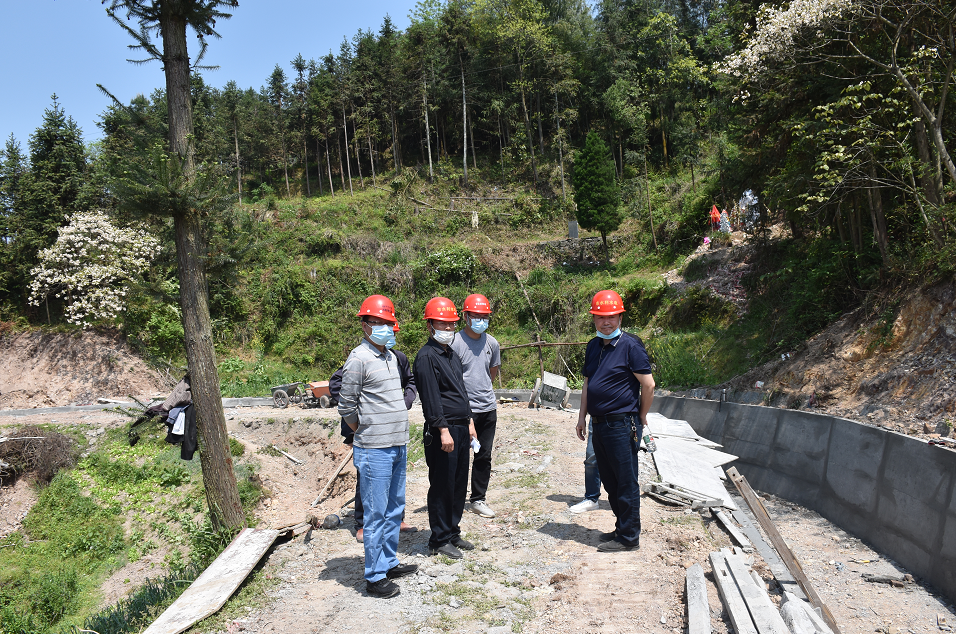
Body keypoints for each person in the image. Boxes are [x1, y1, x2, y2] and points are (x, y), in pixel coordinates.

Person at [338, 294, 418, 598]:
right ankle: (374, 576)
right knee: (375, 513)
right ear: (365, 324)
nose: (384, 327)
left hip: (398, 444)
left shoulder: (391, 357)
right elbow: (346, 406)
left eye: (387, 322)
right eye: (377, 322)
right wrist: (363, 431)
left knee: (394, 509)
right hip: (374, 449)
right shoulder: (358, 359)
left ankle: (388, 562)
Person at [575, 290, 655, 553]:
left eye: (611, 317)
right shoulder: (593, 346)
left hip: (622, 424)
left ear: (620, 317)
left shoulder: (631, 346)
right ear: (594, 319)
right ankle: (621, 527)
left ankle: (629, 537)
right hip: (598, 423)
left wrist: (641, 416)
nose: (606, 322)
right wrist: (582, 416)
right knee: (609, 481)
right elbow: (587, 384)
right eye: (600, 317)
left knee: (625, 481)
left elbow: (648, 385)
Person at [329, 322, 418, 543]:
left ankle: (397, 520)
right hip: (367, 430)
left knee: (394, 484)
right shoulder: (360, 358)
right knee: (368, 480)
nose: (389, 334)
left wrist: (404, 401)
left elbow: (410, 381)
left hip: (393, 432)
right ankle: (362, 523)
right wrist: (361, 419)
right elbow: (340, 388)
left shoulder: (396, 358)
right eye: (384, 329)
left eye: (392, 331)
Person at [413, 297, 477, 559]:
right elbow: (431, 398)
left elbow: (461, 391)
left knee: (459, 483)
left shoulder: (452, 354)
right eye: (442, 324)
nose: (448, 329)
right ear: (430, 325)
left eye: (451, 324)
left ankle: (452, 531)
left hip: (461, 427)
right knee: (442, 484)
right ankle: (439, 539)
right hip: (444, 429)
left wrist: (470, 421)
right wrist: (442, 430)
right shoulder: (426, 357)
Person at [451, 293, 501, 519]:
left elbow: (492, 372)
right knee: (459, 457)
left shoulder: (492, 343)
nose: (481, 320)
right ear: (466, 316)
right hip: (462, 410)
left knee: (484, 456)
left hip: (488, 409)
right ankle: (455, 499)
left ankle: (478, 499)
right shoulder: (454, 342)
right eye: (476, 316)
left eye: (485, 316)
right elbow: (451, 379)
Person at [568, 421, 602, 513]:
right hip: (596, 417)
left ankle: (625, 501)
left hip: (623, 418)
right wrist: (581, 418)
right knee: (591, 460)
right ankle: (591, 498)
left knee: (621, 460)